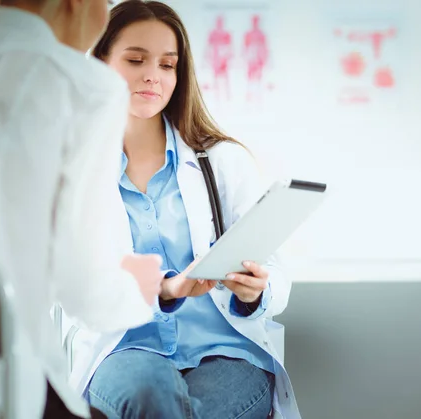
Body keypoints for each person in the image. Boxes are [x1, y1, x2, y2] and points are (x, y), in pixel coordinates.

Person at [0, 0, 163, 418]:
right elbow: (84, 290)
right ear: (77, 3)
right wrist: (138, 289)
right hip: (8, 394)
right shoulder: (86, 87)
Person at [69, 1, 301, 418]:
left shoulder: (223, 161)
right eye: (136, 59)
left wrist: (255, 291)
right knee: (151, 394)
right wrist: (163, 290)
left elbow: (278, 279)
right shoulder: (75, 170)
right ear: (100, 61)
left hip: (225, 352)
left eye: (167, 64)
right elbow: (74, 285)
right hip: (123, 348)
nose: (152, 76)